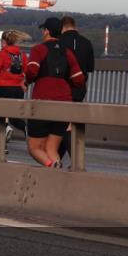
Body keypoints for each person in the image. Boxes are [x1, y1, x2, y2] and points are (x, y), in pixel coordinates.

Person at [24, 17, 86, 168]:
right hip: (64, 104)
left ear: (46, 31)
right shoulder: (67, 52)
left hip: (42, 102)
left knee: (34, 147)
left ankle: (52, 166)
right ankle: (56, 169)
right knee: (51, 148)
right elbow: (79, 79)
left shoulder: (39, 49)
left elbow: (32, 71)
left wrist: (26, 81)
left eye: (43, 30)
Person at [57, 16, 95, 161]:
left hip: (62, 88)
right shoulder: (86, 42)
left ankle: (69, 159)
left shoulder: (59, 42)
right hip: (79, 88)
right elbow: (90, 68)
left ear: (62, 27)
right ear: (74, 26)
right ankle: (59, 159)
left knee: (62, 124)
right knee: (71, 122)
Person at [0, 30, 27, 146]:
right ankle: (26, 128)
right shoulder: (22, 55)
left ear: (4, 41)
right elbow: (26, 70)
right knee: (14, 117)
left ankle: (3, 142)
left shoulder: (1, 54)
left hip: (3, 88)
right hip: (18, 89)